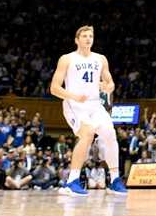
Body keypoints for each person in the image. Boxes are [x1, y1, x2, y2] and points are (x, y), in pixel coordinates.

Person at [47, 26, 128, 196]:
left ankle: (114, 180)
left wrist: (108, 87)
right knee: (88, 133)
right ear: (77, 40)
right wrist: (74, 96)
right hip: (74, 103)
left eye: (90, 36)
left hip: (95, 105)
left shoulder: (101, 59)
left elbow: (110, 83)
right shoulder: (67, 59)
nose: (88, 38)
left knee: (110, 134)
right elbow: (54, 88)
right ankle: (72, 181)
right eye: (84, 36)